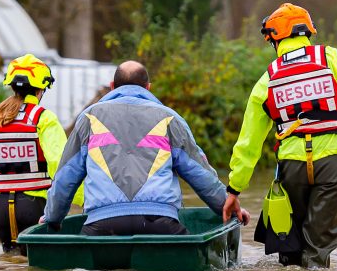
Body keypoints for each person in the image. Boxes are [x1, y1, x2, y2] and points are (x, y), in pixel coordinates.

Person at [221, 3, 337, 268]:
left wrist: (234, 188)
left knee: (290, 248)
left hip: (292, 166)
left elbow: (248, 141)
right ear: (306, 32)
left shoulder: (269, 78)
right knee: (317, 249)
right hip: (334, 161)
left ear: (275, 38)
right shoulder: (332, 58)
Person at [43, 61, 249, 235]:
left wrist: (52, 219)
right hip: (160, 223)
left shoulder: (88, 118)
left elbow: (65, 179)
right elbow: (201, 175)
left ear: (112, 86)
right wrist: (230, 207)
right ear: (148, 87)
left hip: (101, 225)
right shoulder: (170, 118)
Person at [0, 54, 80, 253]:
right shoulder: (43, 118)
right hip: (35, 206)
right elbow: (62, 164)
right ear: (42, 88)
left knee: (11, 266)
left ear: (12, 86)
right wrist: (83, 200)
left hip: (0, 210)